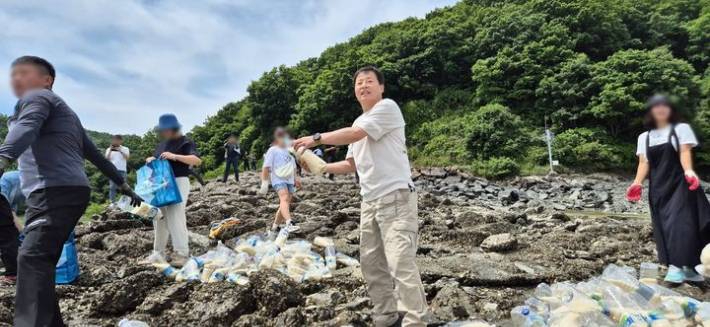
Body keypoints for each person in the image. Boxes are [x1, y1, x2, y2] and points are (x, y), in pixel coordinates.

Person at [0, 56, 142, 327]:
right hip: (59, 193)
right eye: (13, 74)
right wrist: (124, 186)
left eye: (24, 73)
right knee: (39, 263)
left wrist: (3, 157)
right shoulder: (67, 116)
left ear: (46, 80)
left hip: (55, 191)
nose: (16, 79)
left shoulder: (39, 97)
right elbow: (97, 157)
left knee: (32, 258)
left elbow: (27, 127)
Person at [293, 66, 427, 327]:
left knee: (400, 262)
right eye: (358, 83)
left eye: (369, 82)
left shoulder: (387, 108)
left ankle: (415, 321)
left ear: (381, 87)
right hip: (370, 202)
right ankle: (386, 318)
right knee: (371, 264)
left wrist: (316, 139)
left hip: (396, 197)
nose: (363, 86)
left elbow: (355, 134)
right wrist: (322, 167)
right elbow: (351, 163)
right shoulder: (358, 122)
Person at [626, 94, 710, 283]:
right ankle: (685, 268)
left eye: (665, 105)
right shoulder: (644, 137)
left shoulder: (681, 129)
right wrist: (637, 183)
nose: (660, 109)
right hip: (658, 188)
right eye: (656, 106)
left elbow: (684, 152)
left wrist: (689, 171)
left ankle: (679, 268)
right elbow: (643, 163)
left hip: (681, 185)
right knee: (663, 226)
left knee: (682, 226)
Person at [143, 113, 201, 267]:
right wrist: (150, 159)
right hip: (161, 183)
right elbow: (155, 161)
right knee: (159, 218)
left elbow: (196, 160)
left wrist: (174, 156)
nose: (163, 132)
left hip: (179, 180)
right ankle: (158, 254)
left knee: (176, 215)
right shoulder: (161, 145)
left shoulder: (186, 141)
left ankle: (182, 253)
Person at [258, 127, 301, 231]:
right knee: (284, 198)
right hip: (278, 179)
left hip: (290, 180)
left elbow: (294, 166)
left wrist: (296, 178)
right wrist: (264, 183)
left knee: (285, 203)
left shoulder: (290, 151)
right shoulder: (273, 150)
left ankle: (274, 227)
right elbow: (266, 167)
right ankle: (289, 222)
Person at [0, 171, 23, 285]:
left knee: (8, 236)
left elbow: (11, 211)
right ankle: (13, 273)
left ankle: (13, 273)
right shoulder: (9, 179)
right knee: (8, 236)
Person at [105, 134, 130, 202]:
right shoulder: (108, 149)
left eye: (117, 140)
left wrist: (120, 150)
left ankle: (124, 202)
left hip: (122, 170)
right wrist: (110, 149)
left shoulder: (125, 148)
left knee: (124, 187)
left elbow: (127, 158)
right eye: (114, 140)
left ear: (121, 141)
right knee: (112, 187)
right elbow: (106, 159)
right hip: (112, 170)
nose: (115, 141)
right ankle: (112, 202)